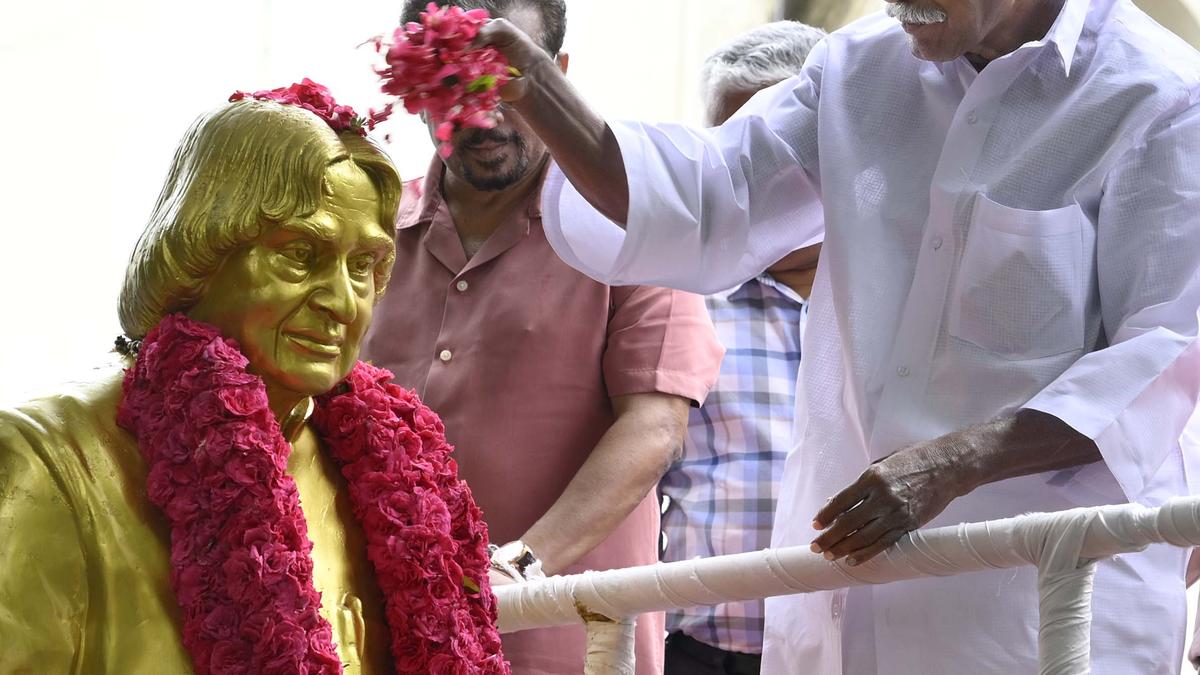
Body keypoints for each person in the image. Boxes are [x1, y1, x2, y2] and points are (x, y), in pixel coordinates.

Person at [478, 0, 1200, 671]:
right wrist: (536, 88)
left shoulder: (1163, 96)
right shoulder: (858, 67)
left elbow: (1165, 352)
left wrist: (956, 462)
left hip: (1035, 615)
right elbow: (700, 197)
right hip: (842, 602)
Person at [0, 84, 510, 674]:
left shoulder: (395, 466)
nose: (344, 302)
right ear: (201, 250)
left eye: (362, 265)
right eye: (301, 254)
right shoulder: (47, 461)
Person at [360, 1, 724, 673]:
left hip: (564, 634)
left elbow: (655, 426)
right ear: (413, 86)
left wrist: (517, 569)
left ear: (556, 74)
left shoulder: (631, 225)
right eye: (452, 83)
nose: (483, 114)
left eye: (504, 81)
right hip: (384, 629)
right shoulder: (367, 230)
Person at [658, 20, 825, 675]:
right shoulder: (678, 294)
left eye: (775, 146)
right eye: (731, 150)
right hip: (704, 647)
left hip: (859, 644)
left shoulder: (899, 289)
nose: (752, 175)